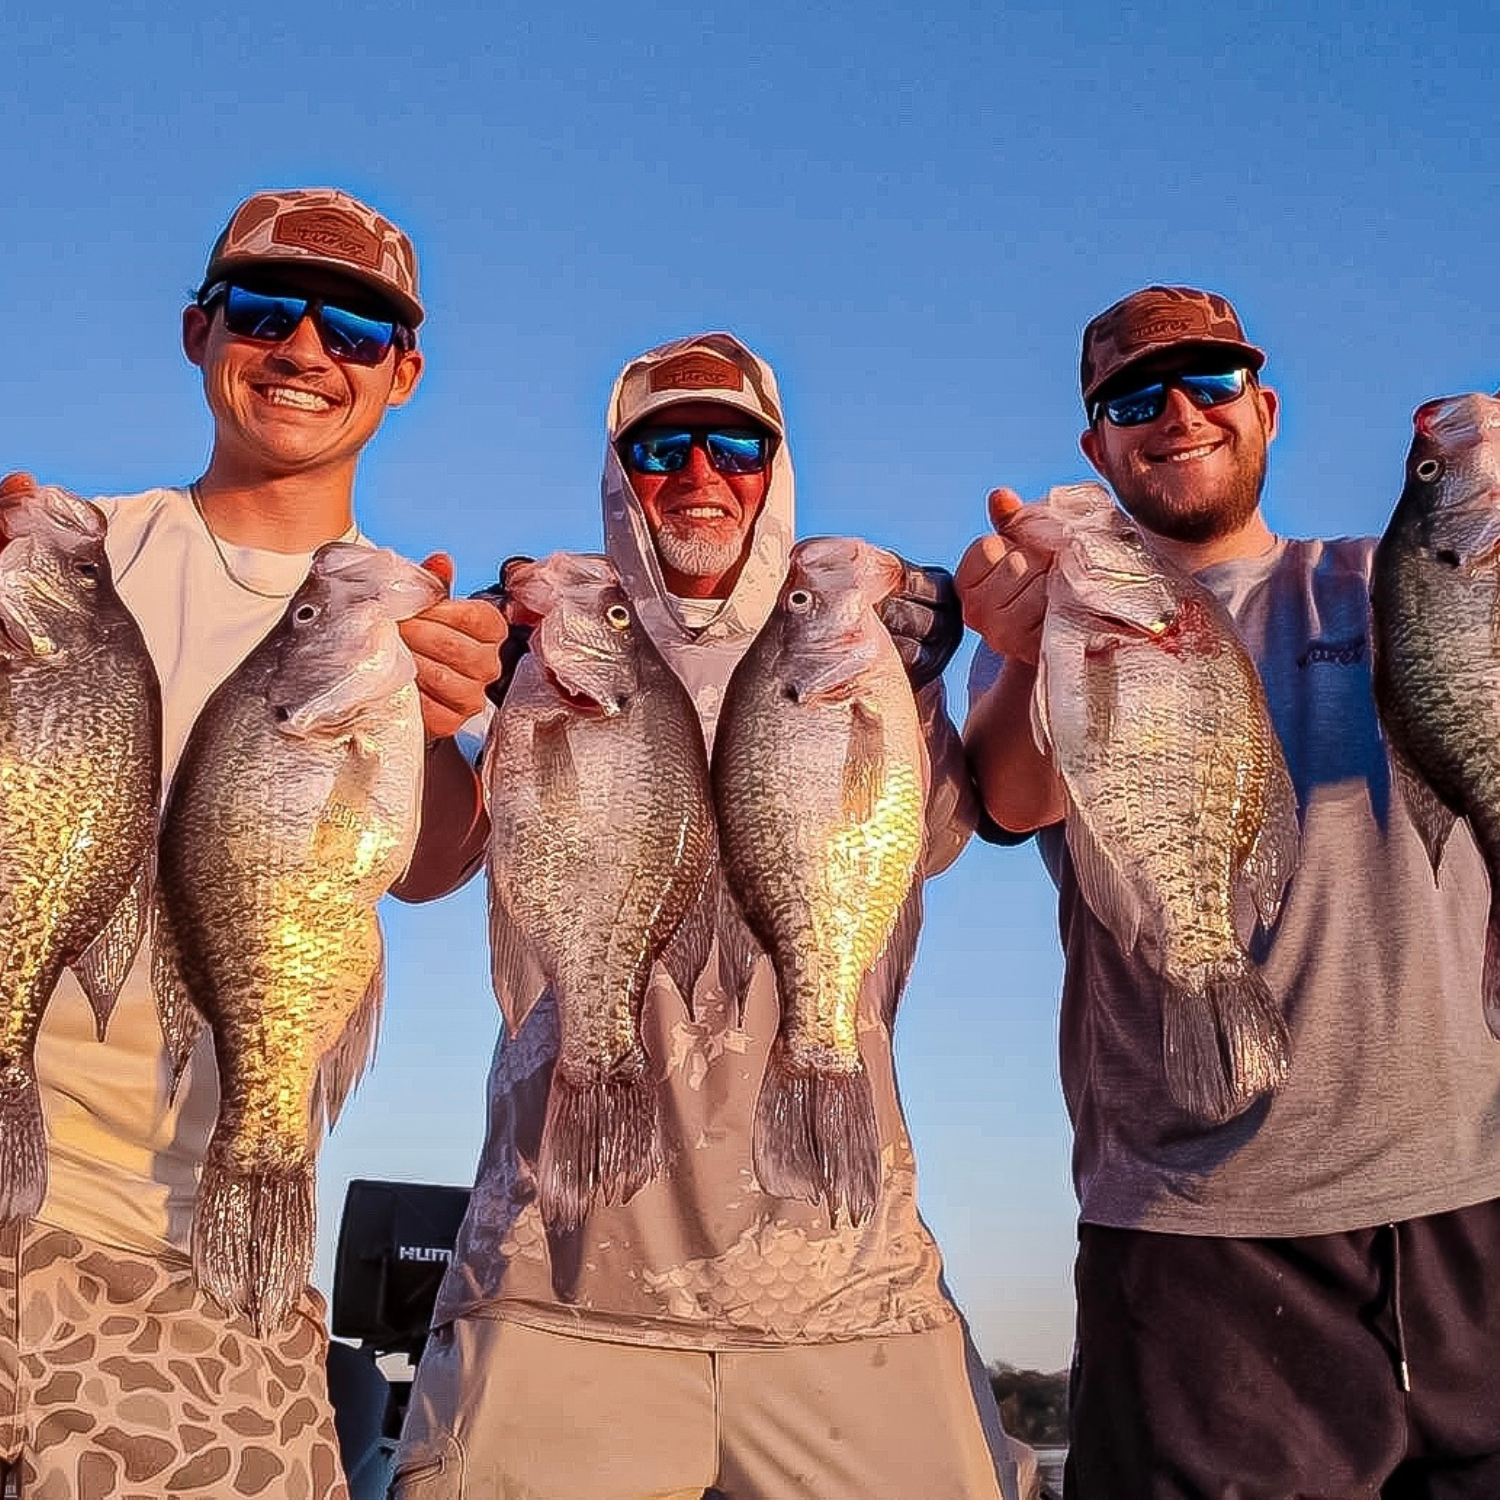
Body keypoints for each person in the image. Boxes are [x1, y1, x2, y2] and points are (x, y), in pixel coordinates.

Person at [391, 332, 1034, 1500]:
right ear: (617, 471)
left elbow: (942, 829)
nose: (700, 472)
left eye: (737, 443)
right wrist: (435, 713)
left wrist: (978, 659)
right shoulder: (534, 669)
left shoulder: (881, 670)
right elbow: (433, 864)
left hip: (848, 1283)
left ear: (775, 472)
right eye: (660, 445)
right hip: (554, 1283)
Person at [0, 187, 502, 1499]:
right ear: (198, 331)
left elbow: (432, 867)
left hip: (195, 1239)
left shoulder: (400, 625)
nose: (305, 349)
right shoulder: (67, 557)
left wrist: (445, 734)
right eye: (266, 310)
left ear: (404, 372)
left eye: (357, 325)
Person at [959, 285, 1500, 1498]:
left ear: (1262, 410)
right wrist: (1021, 645)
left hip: (1473, 1198)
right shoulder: (1064, 630)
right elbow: (1004, 799)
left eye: (1210, 384)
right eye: (1133, 398)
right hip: (1200, 1229)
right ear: (1098, 446)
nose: (1177, 415)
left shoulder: (1388, 581)